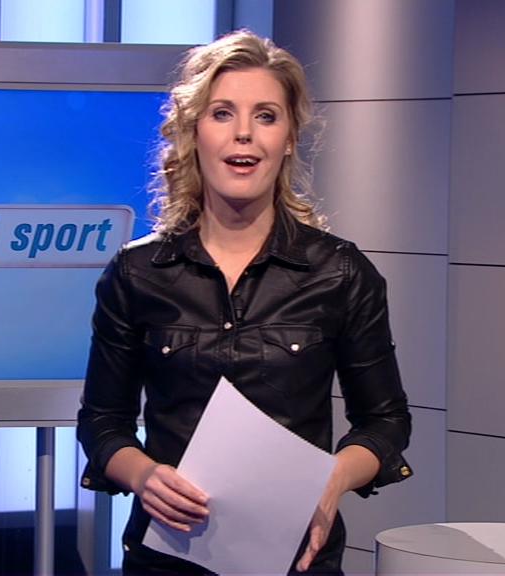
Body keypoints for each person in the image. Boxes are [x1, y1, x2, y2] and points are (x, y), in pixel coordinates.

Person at [76, 29, 413, 575]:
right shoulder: (137, 273)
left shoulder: (341, 273)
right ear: (194, 132)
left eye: (266, 116)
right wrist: (144, 475)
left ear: (289, 138)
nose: (244, 134)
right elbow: (102, 422)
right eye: (222, 114)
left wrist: (330, 481)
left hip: (298, 561)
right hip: (167, 561)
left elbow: (386, 421)